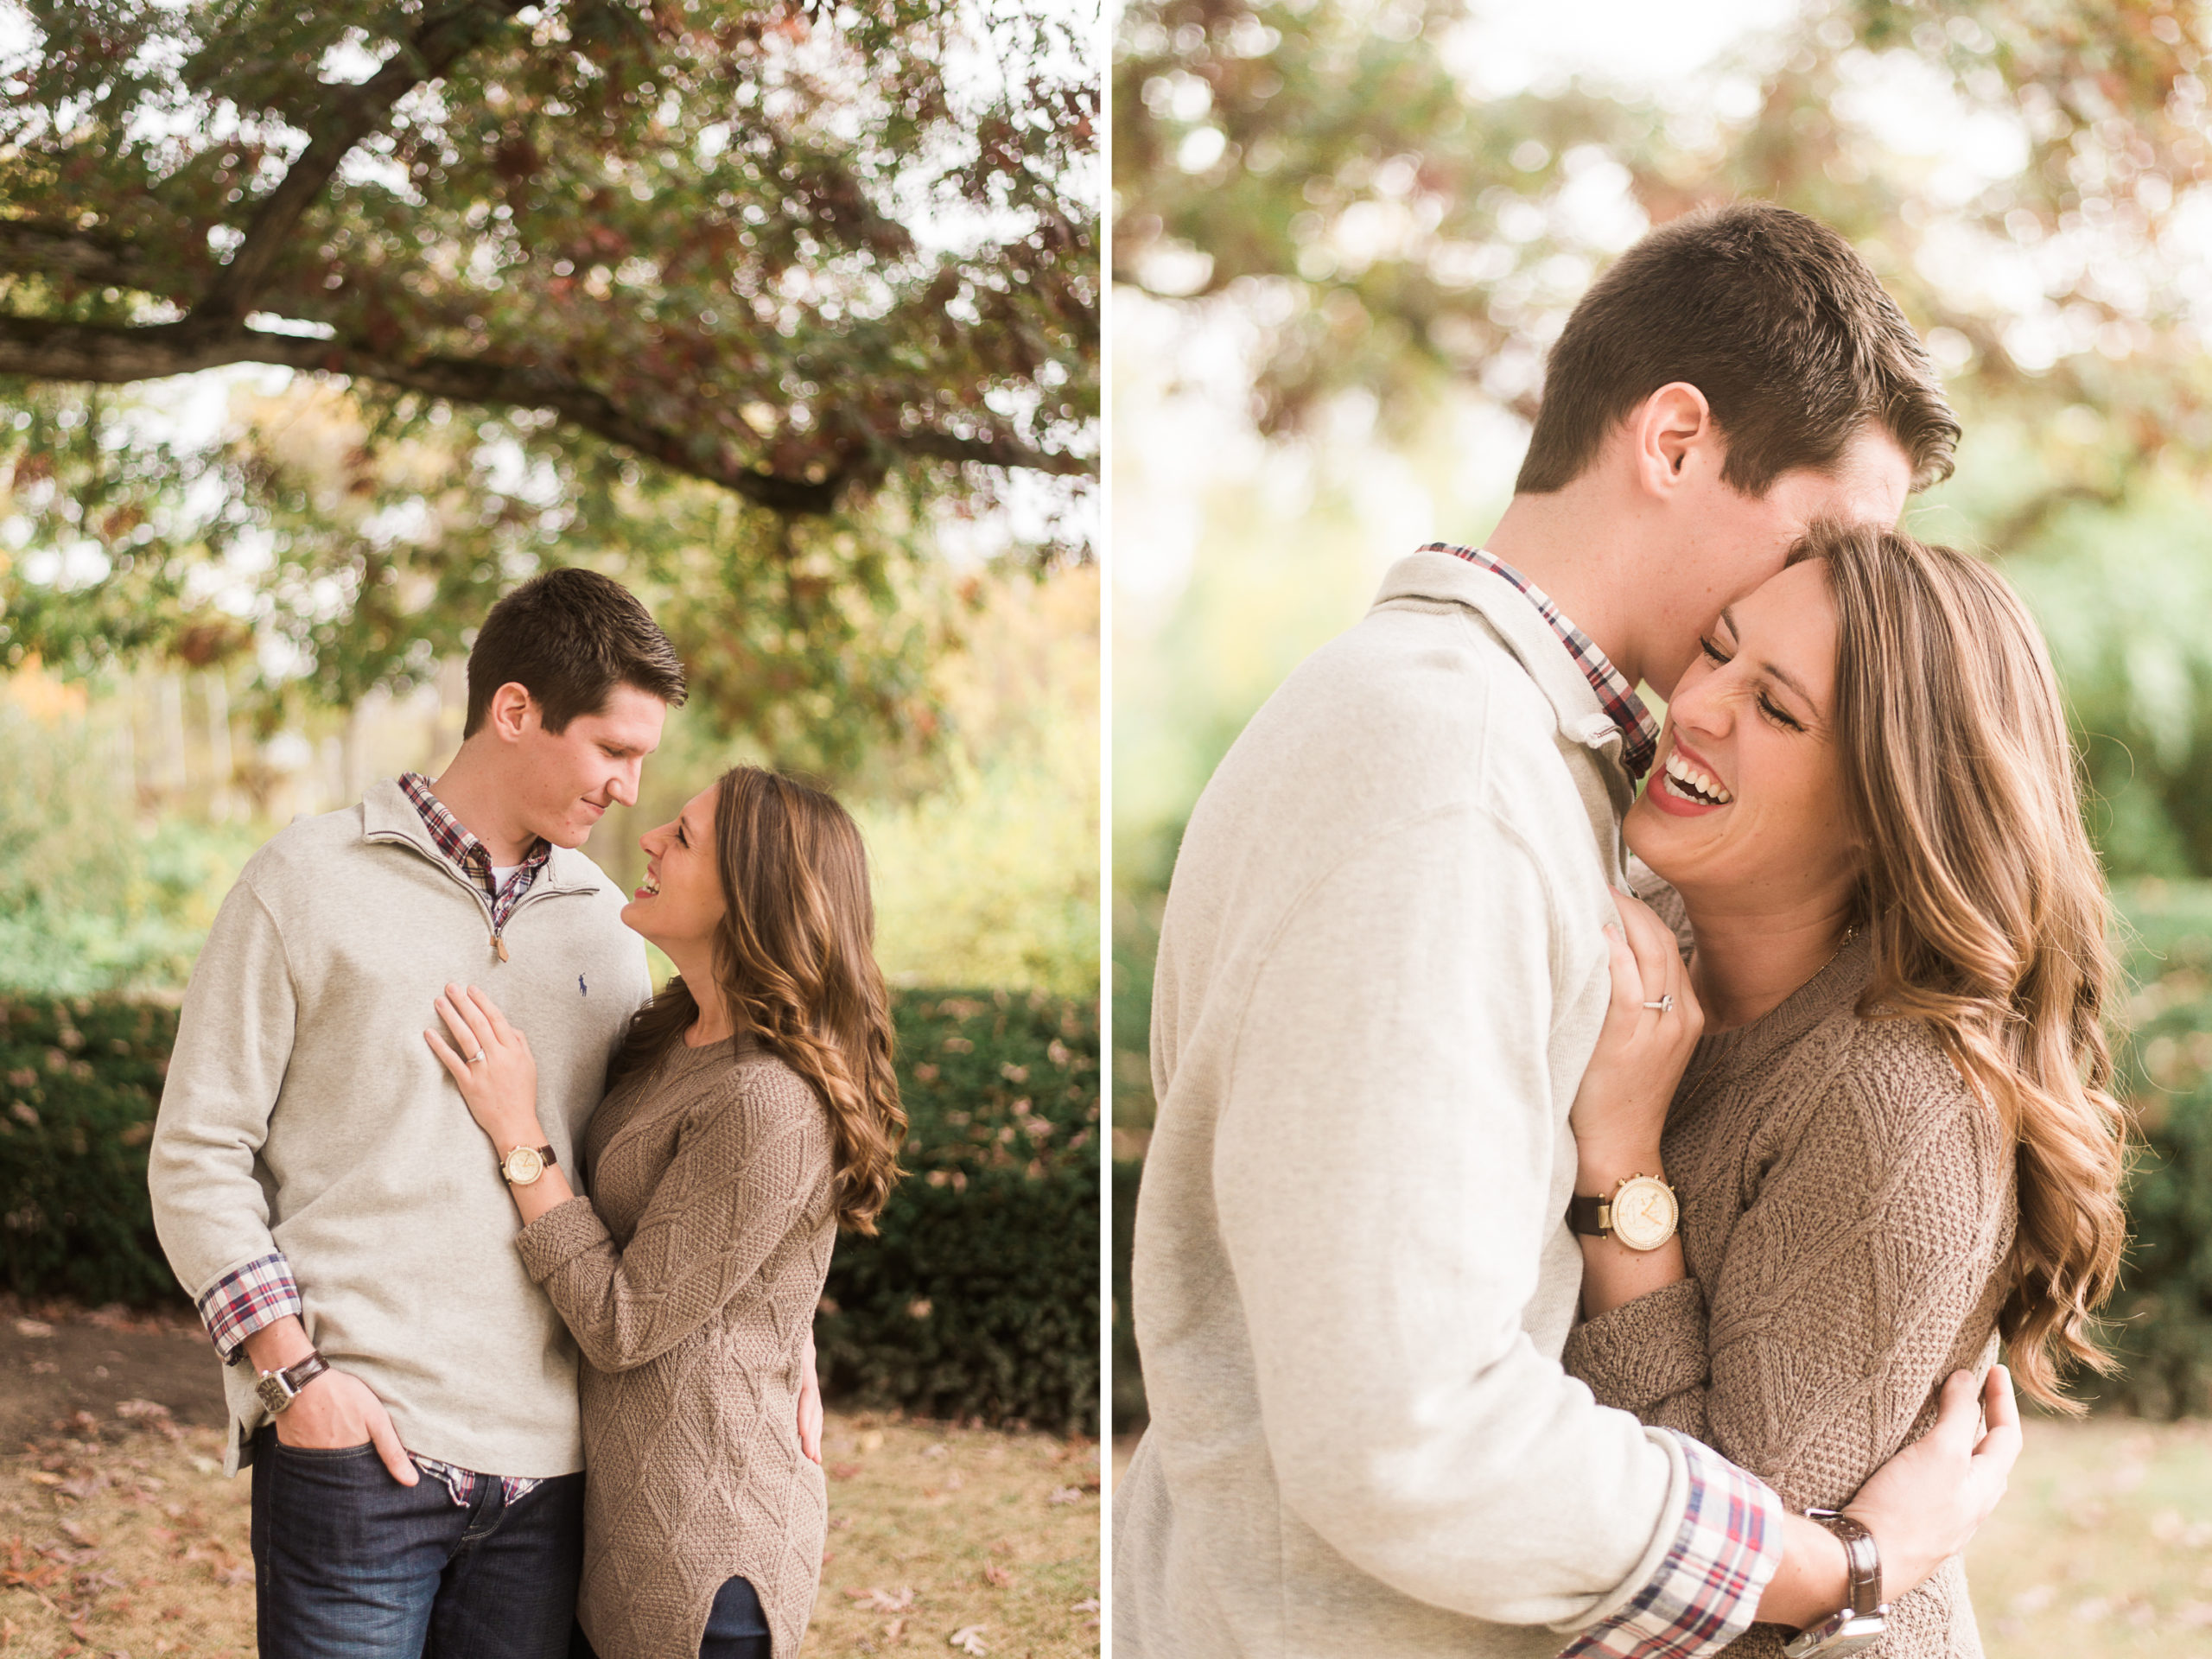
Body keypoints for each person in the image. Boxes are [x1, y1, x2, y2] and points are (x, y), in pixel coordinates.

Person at [1114, 200, 2022, 1659]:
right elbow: (1413, 1433)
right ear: (1673, 442)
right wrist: (1837, 1567)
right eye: (1826, 540)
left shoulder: (1480, 751)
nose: (1835, 601)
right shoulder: (1453, 781)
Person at [1560, 524, 2126, 1656]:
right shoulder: (1652, 942)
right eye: (1718, 649)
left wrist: (1622, 1166)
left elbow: (1718, 1596)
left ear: (1884, 811)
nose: (1700, 704)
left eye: (1777, 710)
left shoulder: (1898, 1108)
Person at [149, 569, 697, 1656]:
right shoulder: (304, 881)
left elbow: (644, 1178)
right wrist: (293, 1378)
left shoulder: (606, 922)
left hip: (554, 1476)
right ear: (513, 712)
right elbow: (199, 1152)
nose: (632, 790)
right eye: (612, 750)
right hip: (356, 1458)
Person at [423, 766, 906, 1659]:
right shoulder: (672, 1035)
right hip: (620, 1520)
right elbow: (728, 1262)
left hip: (702, 1549)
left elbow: (625, 1319)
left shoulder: (768, 1100)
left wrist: (517, 1133)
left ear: (749, 897)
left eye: (681, 839)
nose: (647, 838)